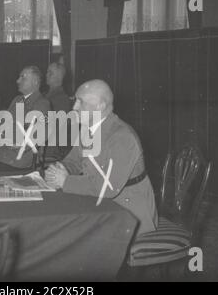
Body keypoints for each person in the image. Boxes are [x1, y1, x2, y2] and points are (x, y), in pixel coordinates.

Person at [45, 79, 158, 234]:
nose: (74, 107)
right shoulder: (88, 130)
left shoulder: (122, 136)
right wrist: (59, 169)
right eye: (75, 100)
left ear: (100, 106)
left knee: (69, 234)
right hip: (100, 202)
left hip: (128, 211)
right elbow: (74, 161)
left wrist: (66, 181)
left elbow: (108, 187)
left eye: (80, 102)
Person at [0, 66, 51, 170]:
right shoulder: (17, 100)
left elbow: (39, 134)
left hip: (18, 158)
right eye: (19, 77)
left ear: (35, 82)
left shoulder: (42, 104)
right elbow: (2, 124)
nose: (18, 81)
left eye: (23, 78)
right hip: (1, 152)